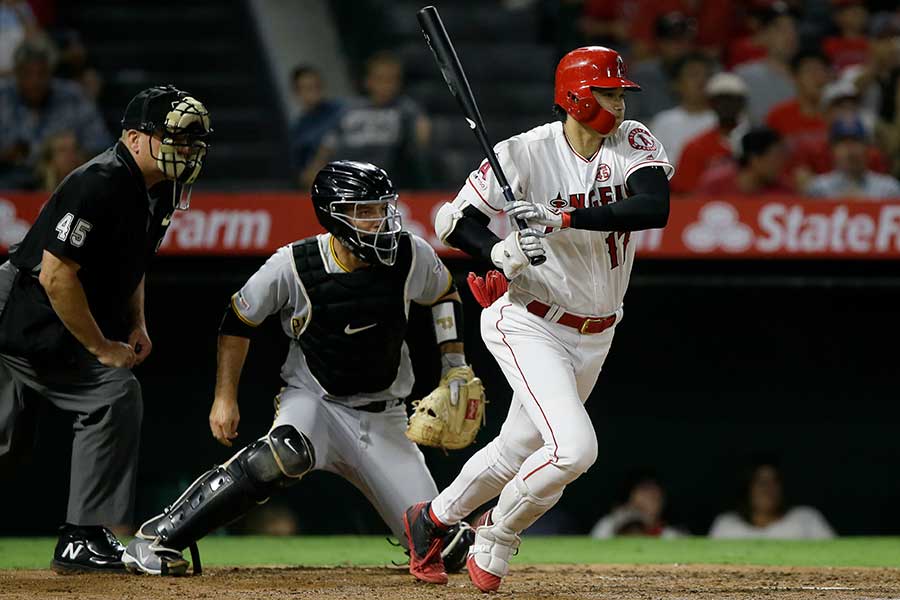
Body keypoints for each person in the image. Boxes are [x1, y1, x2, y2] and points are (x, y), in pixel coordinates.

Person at [121, 161, 477, 576]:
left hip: (386, 417)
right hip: (316, 403)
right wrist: (224, 396)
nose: (378, 220)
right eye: (363, 211)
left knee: (443, 551)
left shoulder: (410, 253)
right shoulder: (294, 263)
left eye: (381, 209)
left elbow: (445, 292)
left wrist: (454, 365)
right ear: (332, 214)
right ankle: (157, 539)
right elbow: (239, 319)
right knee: (280, 455)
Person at [403, 46, 672, 592]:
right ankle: (496, 535)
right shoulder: (522, 153)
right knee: (574, 450)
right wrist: (498, 253)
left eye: (621, 93)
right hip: (529, 320)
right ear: (576, 96)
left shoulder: (632, 141)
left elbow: (654, 206)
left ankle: (430, 519)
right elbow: (453, 221)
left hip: (598, 330)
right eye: (608, 93)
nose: (619, 104)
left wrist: (562, 217)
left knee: (515, 452)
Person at [0, 84, 212, 573]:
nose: (187, 151)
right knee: (17, 438)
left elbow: (133, 264)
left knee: (111, 396)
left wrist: (136, 322)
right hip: (20, 313)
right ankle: (82, 537)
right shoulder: (97, 181)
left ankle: (83, 537)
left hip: (52, 314)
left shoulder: (158, 189)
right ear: (136, 139)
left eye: (193, 142)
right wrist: (101, 346)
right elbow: (56, 275)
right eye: (176, 139)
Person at [305, 52, 432, 189]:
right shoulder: (350, 110)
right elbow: (329, 142)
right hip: (346, 175)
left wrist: (420, 138)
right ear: (368, 81)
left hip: (384, 178)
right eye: (380, 79)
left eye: (391, 80)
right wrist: (315, 167)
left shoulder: (405, 108)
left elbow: (421, 133)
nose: (386, 85)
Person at [0, 39, 110, 188]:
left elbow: (101, 145)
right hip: (8, 179)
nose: (35, 81)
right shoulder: (3, 97)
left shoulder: (73, 97)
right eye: (28, 74)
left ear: (51, 73)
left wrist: (73, 156)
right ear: (17, 73)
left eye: (42, 73)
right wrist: (5, 154)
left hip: (66, 183)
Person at [709, 458, 835, 539]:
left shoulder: (806, 518)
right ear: (747, 488)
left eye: (774, 482)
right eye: (761, 482)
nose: (768, 489)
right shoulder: (726, 524)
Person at [672, 72, 749, 193]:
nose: (726, 105)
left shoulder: (757, 145)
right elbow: (684, 191)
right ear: (711, 104)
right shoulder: (695, 147)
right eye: (720, 100)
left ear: (742, 103)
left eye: (732, 99)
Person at [733, 2, 799, 124]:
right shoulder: (743, 77)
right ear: (763, 36)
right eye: (779, 29)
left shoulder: (809, 75)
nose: (789, 35)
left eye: (793, 28)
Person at [805, 116, 900, 199]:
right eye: (843, 143)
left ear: (867, 147)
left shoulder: (888, 189)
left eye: (855, 141)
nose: (850, 149)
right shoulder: (818, 189)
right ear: (832, 149)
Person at [649, 53, 716, 167]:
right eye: (693, 75)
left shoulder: (722, 119)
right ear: (677, 84)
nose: (701, 81)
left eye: (707, 75)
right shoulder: (663, 122)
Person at [288, 65, 343, 190]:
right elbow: (298, 165)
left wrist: (318, 165)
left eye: (316, 86)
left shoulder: (339, 111)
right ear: (297, 93)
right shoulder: (299, 127)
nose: (313, 92)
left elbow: (333, 140)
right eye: (307, 88)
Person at [590, 468, 684, 538]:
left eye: (654, 497)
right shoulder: (609, 524)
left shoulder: (671, 535)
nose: (648, 500)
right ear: (631, 495)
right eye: (645, 490)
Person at [696, 127, 792, 195]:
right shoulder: (714, 184)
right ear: (755, 159)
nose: (781, 163)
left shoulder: (783, 189)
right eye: (776, 157)